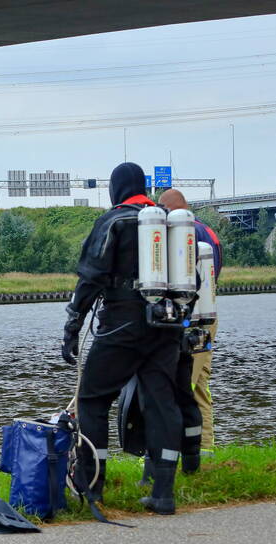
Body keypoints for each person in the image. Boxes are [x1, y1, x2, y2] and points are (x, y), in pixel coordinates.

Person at [62, 162, 184, 515]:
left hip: (122, 325)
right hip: (167, 326)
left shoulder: (114, 220)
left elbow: (90, 278)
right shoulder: (167, 221)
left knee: (92, 400)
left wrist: (72, 327)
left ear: (116, 188)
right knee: (163, 406)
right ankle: (163, 493)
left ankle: (92, 488)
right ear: (143, 186)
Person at [158, 189, 223, 465]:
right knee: (198, 385)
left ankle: (171, 454)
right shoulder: (207, 231)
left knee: (181, 385)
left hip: (190, 317)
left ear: (171, 207)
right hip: (206, 314)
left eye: (161, 209)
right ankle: (203, 450)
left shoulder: (185, 233)